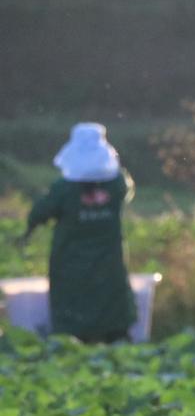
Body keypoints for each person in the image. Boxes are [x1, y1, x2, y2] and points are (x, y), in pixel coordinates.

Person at [19, 123, 138, 343]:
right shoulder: (116, 184)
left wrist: (28, 230)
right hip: (108, 258)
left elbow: (40, 212)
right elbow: (127, 189)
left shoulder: (64, 188)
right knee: (109, 296)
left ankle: (73, 338)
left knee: (72, 299)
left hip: (70, 260)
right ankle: (115, 335)